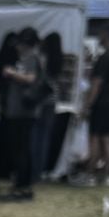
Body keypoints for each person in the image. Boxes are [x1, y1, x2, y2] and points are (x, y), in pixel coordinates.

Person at [0, 27, 44, 202]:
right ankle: (21, 185)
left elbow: (31, 79)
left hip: (24, 112)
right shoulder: (27, 58)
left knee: (21, 150)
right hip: (20, 111)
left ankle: (22, 187)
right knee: (20, 149)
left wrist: (12, 73)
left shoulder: (31, 58)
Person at [81, 23, 109, 187]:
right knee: (106, 139)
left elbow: (97, 84)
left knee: (95, 138)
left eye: (100, 33)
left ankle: (89, 174)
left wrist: (87, 105)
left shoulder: (105, 58)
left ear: (107, 35)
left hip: (101, 103)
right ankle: (106, 175)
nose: (98, 37)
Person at [33, 31, 64, 178]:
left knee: (35, 135)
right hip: (53, 100)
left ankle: (34, 169)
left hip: (41, 100)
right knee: (45, 137)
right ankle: (41, 169)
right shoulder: (59, 59)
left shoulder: (42, 57)